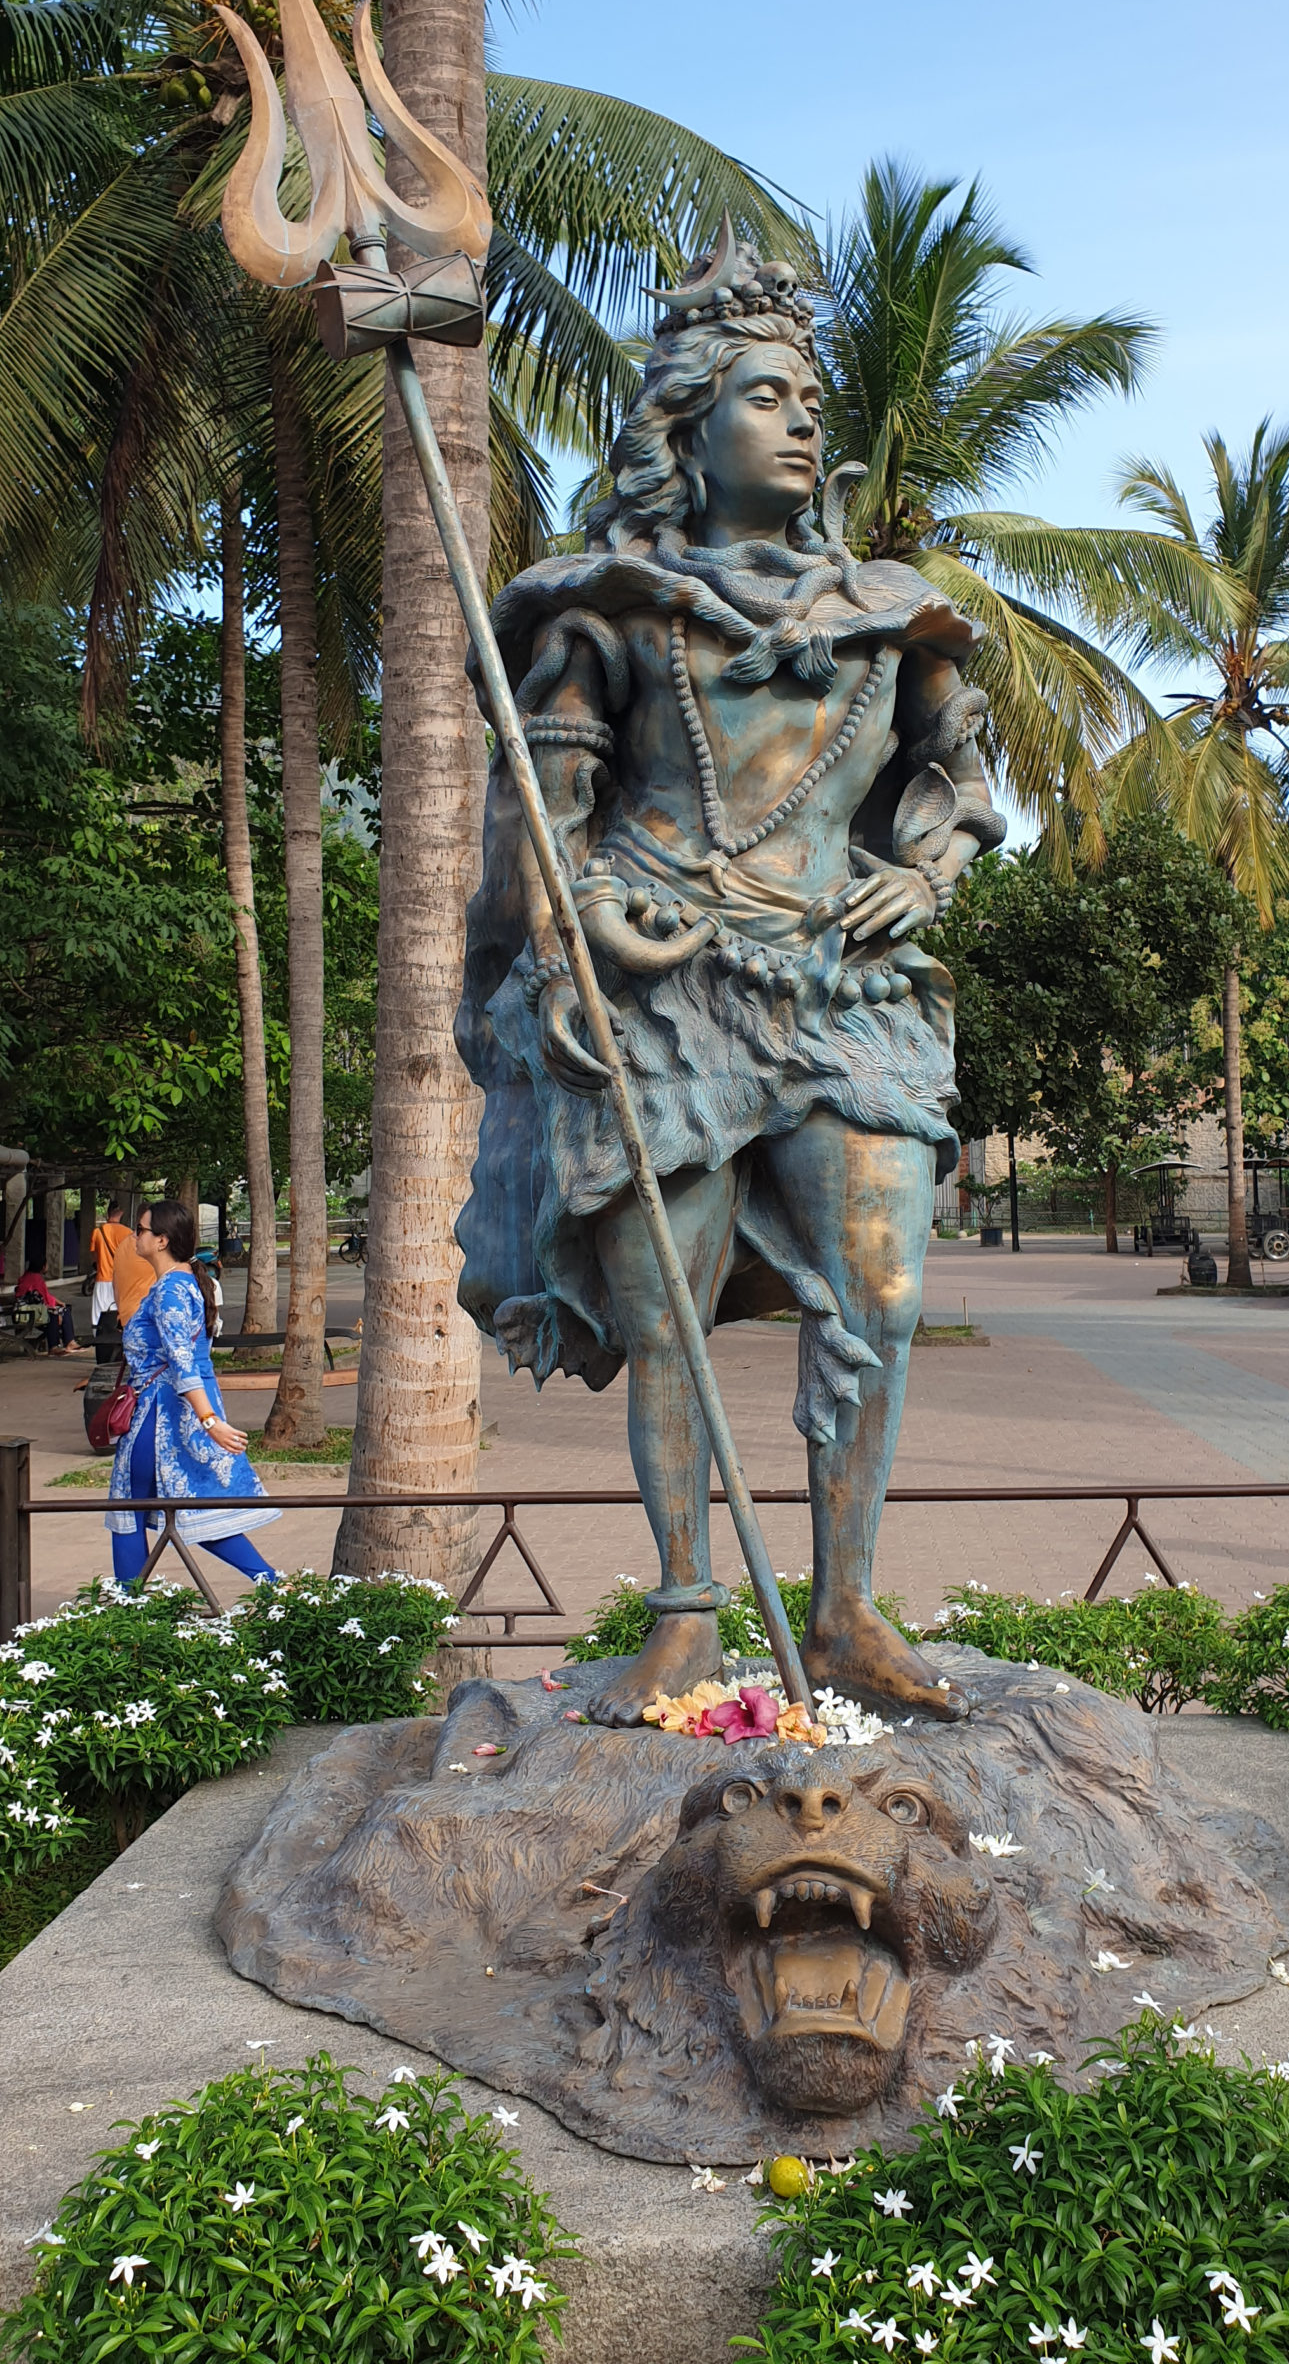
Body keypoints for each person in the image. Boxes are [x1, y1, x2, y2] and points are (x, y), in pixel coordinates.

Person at [456, 232, 1005, 1726]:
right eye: (768, 395)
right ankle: (689, 1610)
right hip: (665, 982)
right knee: (668, 1316)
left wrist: (927, 863)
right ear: (688, 429)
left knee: (882, 1291)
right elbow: (544, 817)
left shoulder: (897, 613)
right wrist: (578, 915)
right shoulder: (614, 605)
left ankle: (841, 1610)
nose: (806, 420)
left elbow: (955, 779)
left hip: (843, 981)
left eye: (810, 395)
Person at [105, 1199, 279, 1588]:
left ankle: (127, 1610)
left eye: (142, 1229)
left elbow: (182, 1361)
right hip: (173, 1412)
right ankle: (270, 1582)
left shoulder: (171, 1290)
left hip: (161, 1414)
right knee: (186, 1505)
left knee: (132, 1507)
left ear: (162, 1240)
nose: (135, 1235)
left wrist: (210, 1422)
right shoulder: (179, 1284)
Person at [14, 1265, 79, 1354]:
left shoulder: (28, 1276)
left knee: (63, 1310)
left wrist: (57, 1302)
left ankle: (69, 1342)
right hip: (30, 1313)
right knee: (55, 1315)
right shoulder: (35, 1278)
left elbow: (43, 1296)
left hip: (32, 1310)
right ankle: (57, 1345)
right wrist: (56, 1309)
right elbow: (42, 1300)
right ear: (43, 1266)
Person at [88, 1199, 129, 1326]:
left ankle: (99, 1339)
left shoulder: (97, 1232)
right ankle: (116, 1337)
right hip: (121, 1280)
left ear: (108, 1213)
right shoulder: (128, 1233)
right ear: (121, 1213)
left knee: (98, 1313)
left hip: (102, 1278)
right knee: (118, 1310)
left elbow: (94, 1257)